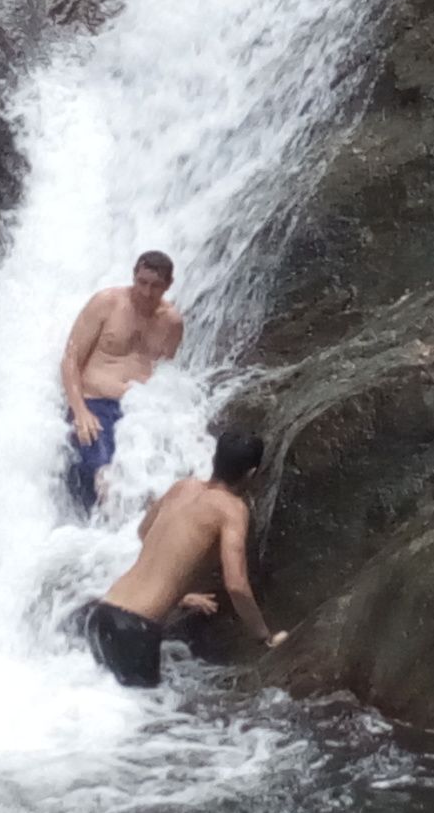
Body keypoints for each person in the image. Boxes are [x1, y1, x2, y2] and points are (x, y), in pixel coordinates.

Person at [70, 428, 283, 688]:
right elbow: (236, 585)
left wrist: (179, 593)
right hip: (134, 629)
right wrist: (265, 636)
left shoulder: (183, 487)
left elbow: (144, 531)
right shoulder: (232, 510)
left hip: (102, 616)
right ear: (251, 473)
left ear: (215, 459)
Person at [59, 250, 185, 516]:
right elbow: (70, 360)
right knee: (106, 480)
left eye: (156, 286)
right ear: (133, 276)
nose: (147, 292)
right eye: (142, 282)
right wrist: (80, 411)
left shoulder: (172, 323)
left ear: (169, 284)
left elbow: (164, 375)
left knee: (155, 486)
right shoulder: (107, 303)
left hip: (138, 411)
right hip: (95, 405)